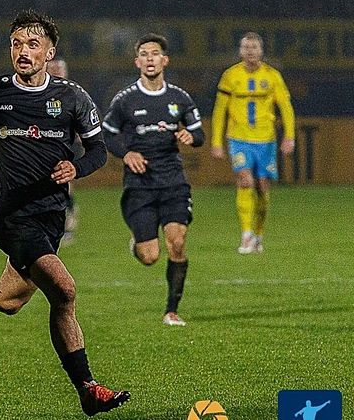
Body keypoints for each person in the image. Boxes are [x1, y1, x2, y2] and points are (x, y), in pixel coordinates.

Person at [0, 10, 130, 416]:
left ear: (50, 52)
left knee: (8, 299)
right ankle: (87, 388)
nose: (23, 52)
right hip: (14, 218)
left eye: (32, 45)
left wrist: (76, 167)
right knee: (64, 291)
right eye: (16, 44)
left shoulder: (73, 98)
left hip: (50, 218)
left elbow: (99, 150)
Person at [101, 33, 204, 327]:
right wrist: (126, 152)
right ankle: (137, 243)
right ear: (137, 62)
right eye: (144, 54)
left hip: (173, 182)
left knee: (178, 243)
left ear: (164, 60)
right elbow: (108, 134)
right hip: (140, 185)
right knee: (149, 256)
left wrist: (190, 136)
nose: (149, 58)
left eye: (155, 53)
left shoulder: (179, 98)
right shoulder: (125, 100)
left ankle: (171, 310)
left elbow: (199, 134)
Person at [210, 32, 295, 254]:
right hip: (238, 139)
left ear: (261, 51)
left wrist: (289, 136)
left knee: (262, 189)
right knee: (245, 181)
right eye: (246, 48)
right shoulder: (230, 76)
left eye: (254, 48)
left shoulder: (272, 76)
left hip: (265, 140)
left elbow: (285, 107)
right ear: (240, 51)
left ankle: (258, 235)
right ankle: (246, 235)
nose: (250, 52)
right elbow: (220, 111)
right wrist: (216, 141)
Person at [46, 58, 79, 245]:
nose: (57, 71)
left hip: (66, 148)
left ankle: (67, 225)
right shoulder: (38, 92)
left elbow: (89, 118)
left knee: (65, 187)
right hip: (41, 149)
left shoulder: (73, 94)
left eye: (60, 68)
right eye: (53, 68)